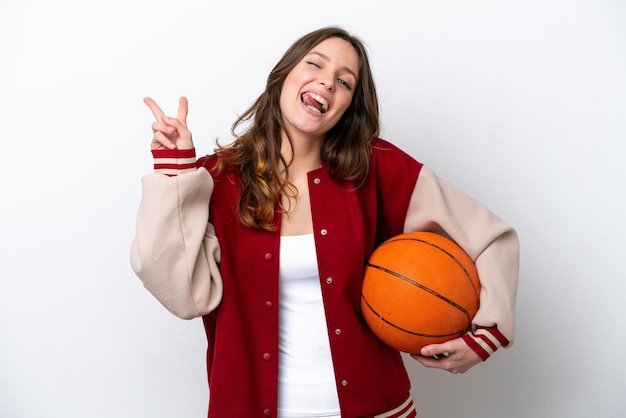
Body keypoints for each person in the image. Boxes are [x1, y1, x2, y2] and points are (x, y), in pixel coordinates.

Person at [131, 26, 519, 418]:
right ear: (283, 75)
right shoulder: (219, 178)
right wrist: (174, 173)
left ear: (349, 105)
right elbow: (182, 296)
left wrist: (488, 334)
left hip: (378, 409)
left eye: (344, 82)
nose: (327, 83)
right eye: (314, 63)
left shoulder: (377, 168)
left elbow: (489, 237)